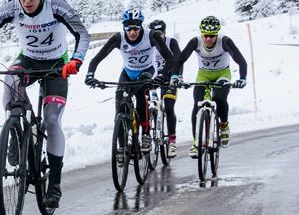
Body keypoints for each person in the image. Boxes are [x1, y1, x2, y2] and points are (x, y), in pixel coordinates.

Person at [0, 0, 91, 208]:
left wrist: (76, 59)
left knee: (52, 119)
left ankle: (54, 185)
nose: (27, 1)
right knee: (11, 79)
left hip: (57, 65)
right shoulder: (11, 8)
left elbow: (82, 34)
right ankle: (15, 134)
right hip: (30, 60)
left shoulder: (57, 5)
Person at [83, 9, 174, 152]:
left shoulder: (151, 36)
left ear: (141, 26)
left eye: (136, 29)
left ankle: (145, 133)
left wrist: (161, 75)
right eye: (128, 29)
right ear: (123, 27)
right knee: (119, 104)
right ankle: (121, 147)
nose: (132, 33)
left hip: (147, 70)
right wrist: (90, 74)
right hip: (127, 72)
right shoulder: (119, 38)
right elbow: (98, 57)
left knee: (140, 92)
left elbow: (170, 58)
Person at [170, 16, 248, 157]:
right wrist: (175, 76)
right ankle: (196, 143)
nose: (208, 39)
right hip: (204, 74)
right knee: (197, 104)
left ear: (217, 34)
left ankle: (224, 126)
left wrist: (242, 78)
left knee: (219, 98)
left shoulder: (224, 41)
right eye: (205, 36)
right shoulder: (196, 42)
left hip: (222, 74)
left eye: (212, 36)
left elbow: (241, 60)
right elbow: (180, 59)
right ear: (201, 33)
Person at [148, 18, 182, 158]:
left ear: (164, 33)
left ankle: (172, 140)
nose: (158, 35)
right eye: (155, 33)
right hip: (153, 77)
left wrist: (177, 76)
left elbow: (178, 59)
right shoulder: (147, 44)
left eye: (160, 33)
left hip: (169, 77)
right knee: (147, 103)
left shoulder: (171, 42)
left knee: (168, 106)